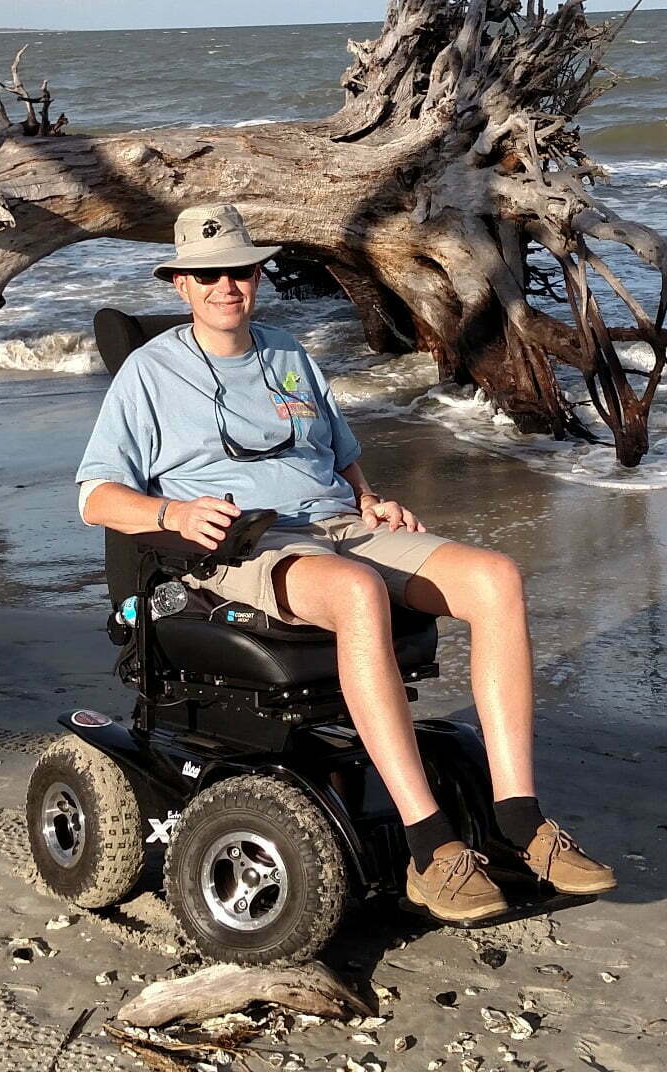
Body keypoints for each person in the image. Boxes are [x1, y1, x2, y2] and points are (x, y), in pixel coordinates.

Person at [75, 203, 615, 923]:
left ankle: (519, 819)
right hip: (242, 544)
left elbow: (339, 456)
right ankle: (432, 847)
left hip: (338, 524)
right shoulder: (149, 373)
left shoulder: (287, 353)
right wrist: (174, 514)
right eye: (207, 275)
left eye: (238, 270)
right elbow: (97, 498)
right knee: (358, 592)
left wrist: (373, 501)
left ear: (256, 275)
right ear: (180, 283)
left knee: (495, 579)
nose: (225, 286)